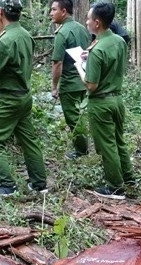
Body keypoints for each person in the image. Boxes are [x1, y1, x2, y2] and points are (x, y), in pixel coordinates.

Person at [0, 0, 48, 195]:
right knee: (29, 140)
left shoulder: (4, 41)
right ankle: (39, 184)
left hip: (8, 99)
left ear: (0, 12)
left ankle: (7, 186)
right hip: (25, 96)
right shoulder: (26, 35)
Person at [75, 2, 135, 199]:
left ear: (97, 23)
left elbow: (91, 85)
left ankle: (115, 187)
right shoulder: (119, 41)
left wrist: (80, 68)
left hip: (101, 103)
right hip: (117, 99)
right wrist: (89, 57)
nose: (87, 21)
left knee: (107, 145)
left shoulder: (97, 49)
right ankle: (128, 177)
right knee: (119, 141)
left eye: (89, 19)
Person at [50, 0, 91, 160]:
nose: (51, 13)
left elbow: (57, 62)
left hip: (70, 83)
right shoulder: (82, 28)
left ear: (64, 11)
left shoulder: (62, 33)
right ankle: (83, 147)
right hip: (84, 79)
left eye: (54, 10)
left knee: (73, 118)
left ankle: (81, 151)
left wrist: (54, 86)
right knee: (80, 115)